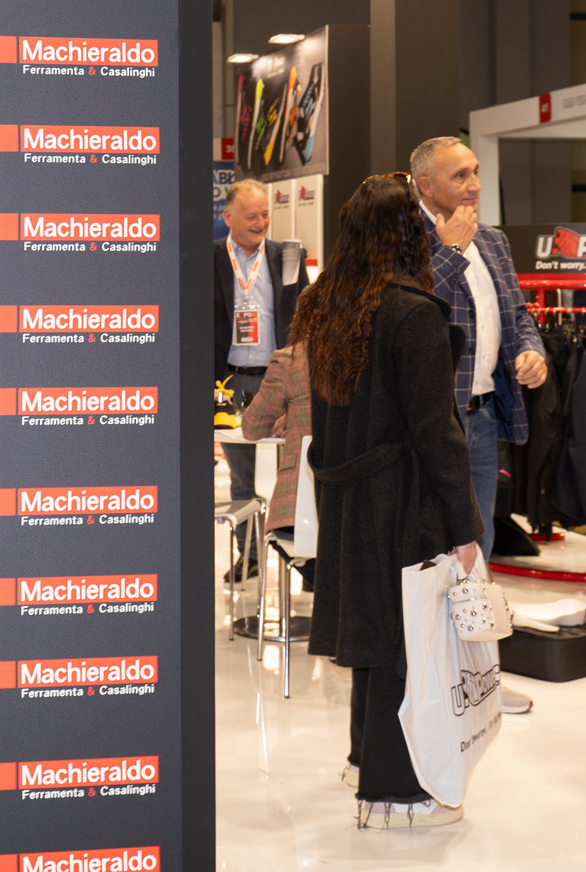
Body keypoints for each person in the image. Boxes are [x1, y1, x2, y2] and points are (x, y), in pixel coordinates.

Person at [300, 173, 484, 830]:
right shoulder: (413, 311)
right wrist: (464, 525)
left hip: (346, 498)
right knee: (406, 642)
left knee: (372, 634)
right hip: (402, 500)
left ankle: (363, 760)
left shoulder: (326, 303)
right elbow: (438, 434)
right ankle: (395, 792)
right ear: (409, 233)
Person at [410, 136, 548, 716]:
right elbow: (411, 315)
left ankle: (478, 676)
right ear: (425, 186)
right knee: (430, 551)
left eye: (475, 172)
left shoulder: (493, 240)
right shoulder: (404, 240)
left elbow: (514, 314)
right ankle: (427, 679)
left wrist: (532, 350)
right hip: (429, 424)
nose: (473, 185)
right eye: (459, 175)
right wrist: (447, 250)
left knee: (479, 547)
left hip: (484, 417)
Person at [214, 179, 309, 580]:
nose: (260, 222)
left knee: (298, 474)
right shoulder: (210, 258)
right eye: (251, 216)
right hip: (231, 383)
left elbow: (306, 315)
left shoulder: (287, 255)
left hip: (282, 381)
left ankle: (304, 560)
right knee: (242, 477)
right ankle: (249, 556)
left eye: (265, 214)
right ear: (228, 216)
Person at [239, 343, 314, 594]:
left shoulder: (292, 359)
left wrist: (291, 417)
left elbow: (252, 428)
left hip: (298, 511)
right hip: (360, 507)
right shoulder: (369, 353)